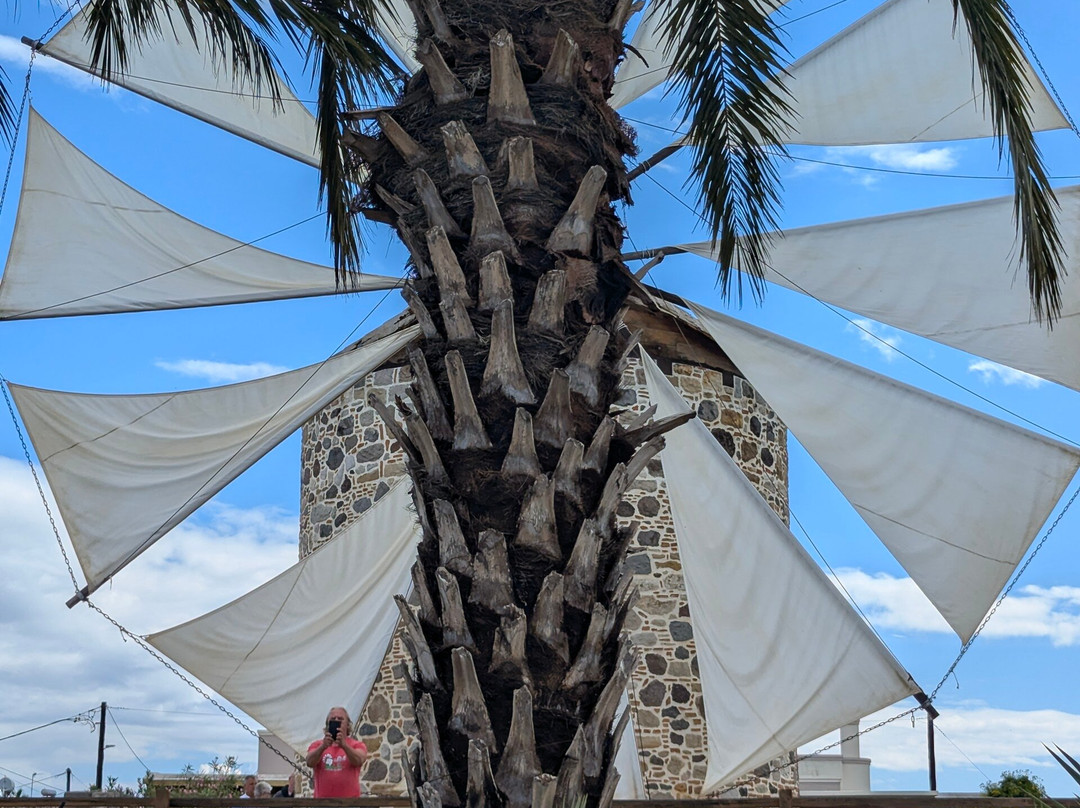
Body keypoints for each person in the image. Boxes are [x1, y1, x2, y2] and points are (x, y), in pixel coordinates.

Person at [305, 707, 367, 798]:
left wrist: (344, 746)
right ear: (328, 724)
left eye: (340, 719)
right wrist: (323, 747)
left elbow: (359, 760)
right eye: (333, 719)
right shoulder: (317, 745)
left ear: (347, 724)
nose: (337, 721)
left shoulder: (356, 745)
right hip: (322, 802)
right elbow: (309, 762)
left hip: (350, 802)